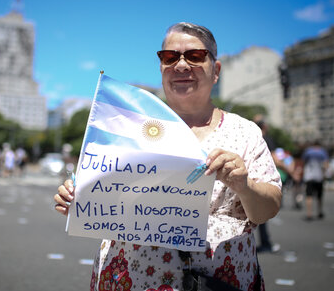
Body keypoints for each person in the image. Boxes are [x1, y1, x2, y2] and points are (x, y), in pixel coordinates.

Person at [54, 22, 282, 291]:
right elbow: (99, 188)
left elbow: (269, 208)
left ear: (216, 70)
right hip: (130, 279)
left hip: (219, 282)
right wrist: (76, 197)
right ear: (161, 67)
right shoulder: (126, 123)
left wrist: (245, 185)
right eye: (170, 57)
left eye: (195, 56)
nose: (181, 65)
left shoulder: (244, 132)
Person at [254, 118, 281, 254]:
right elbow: (275, 158)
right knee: (264, 212)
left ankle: (262, 242)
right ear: (264, 127)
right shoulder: (266, 139)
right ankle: (266, 243)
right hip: (265, 179)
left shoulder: (251, 136)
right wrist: (290, 170)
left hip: (251, 179)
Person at [302, 141, 329, 221]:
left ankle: (309, 213)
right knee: (319, 196)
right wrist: (324, 173)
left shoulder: (308, 151)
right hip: (319, 177)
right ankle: (319, 211)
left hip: (309, 176)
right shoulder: (323, 152)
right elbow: (326, 164)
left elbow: (304, 162)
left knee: (309, 195)